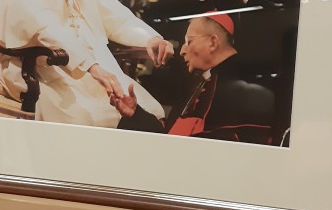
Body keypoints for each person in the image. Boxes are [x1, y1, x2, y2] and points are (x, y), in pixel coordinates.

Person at [0, 0, 174, 127]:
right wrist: (92, 67)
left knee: (149, 110)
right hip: (39, 71)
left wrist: (150, 38)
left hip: (89, 69)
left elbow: (115, 16)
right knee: (84, 119)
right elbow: (49, 31)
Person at [109, 13, 278, 145]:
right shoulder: (203, 85)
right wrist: (135, 113)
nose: (182, 51)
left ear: (213, 42)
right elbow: (171, 139)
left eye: (189, 41)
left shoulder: (244, 91)